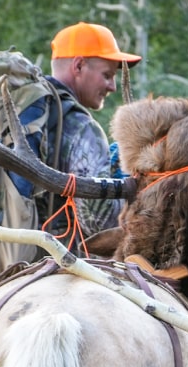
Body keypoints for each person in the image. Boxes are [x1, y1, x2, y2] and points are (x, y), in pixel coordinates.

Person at [10, 21, 141, 244]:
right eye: (107, 75)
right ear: (78, 66)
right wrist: (127, 188)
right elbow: (100, 224)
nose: (112, 87)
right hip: (50, 263)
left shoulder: (18, 111)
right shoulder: (81, 128)